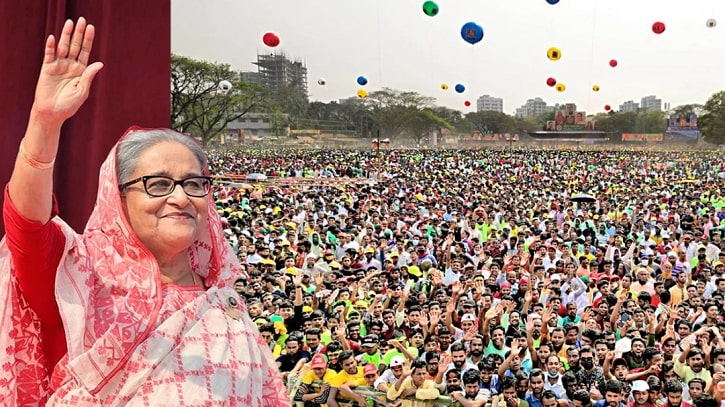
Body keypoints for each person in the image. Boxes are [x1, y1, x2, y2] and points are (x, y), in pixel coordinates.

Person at [0, 18, 287, 405]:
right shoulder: (79, 282)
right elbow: (27, 227)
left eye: (193, 183)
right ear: (116, 199)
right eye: (159, 184)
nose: (181, 198)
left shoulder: (222, 302)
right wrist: (45, 123)